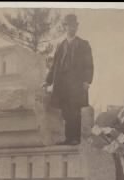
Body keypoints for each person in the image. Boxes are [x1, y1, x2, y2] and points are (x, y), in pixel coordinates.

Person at [43, 14, 94, 145]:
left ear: (77, 27)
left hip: (77, 83)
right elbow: (54, 65)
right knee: (66, 110)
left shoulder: (83, 44)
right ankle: (68, 138)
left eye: (74, 25)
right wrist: (47, 81)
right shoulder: (60, 45)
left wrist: (87, 81)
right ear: (64, 27)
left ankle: (75, 138)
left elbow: (89, 64)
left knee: (75, 110)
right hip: (63, 83)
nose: (72, 28)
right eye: (69, 25)